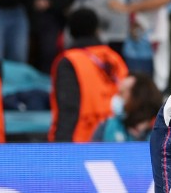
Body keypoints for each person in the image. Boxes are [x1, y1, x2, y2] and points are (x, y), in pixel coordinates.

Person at [49, 8, 128, 143]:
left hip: (82, 140)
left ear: (71, 32)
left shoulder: (69, 61)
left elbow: (68, 107)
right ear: (96, 29)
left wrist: (60, 145)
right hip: (116, 137)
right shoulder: (114, 58)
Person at [93, 72, 163, 142]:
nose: (116, 98)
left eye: (121, 93)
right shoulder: (106, 128)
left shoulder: (162, 134)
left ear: (138, 99)